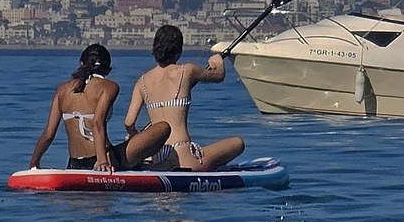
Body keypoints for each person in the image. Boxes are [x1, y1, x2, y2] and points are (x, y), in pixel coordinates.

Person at [29, 43, 171, 172]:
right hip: (103, 158)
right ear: (108, 69)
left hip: (74, 163)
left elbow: (48, 134)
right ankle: (143, 165)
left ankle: (141, 165)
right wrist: (102, 161)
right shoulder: (109, 87)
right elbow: (97, 122)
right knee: (163, 127)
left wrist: (34, 163)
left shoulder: (62, 90)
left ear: (81, 63)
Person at [123, 24, 245, 171]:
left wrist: (135, 135)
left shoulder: (142, 82)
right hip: (182, 154)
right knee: (238, 143)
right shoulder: (187, 71)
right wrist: (217, 62)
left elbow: (129, 122)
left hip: (155, 154)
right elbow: (218, 76)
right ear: (178, 52)